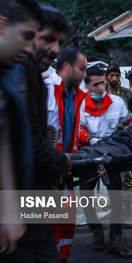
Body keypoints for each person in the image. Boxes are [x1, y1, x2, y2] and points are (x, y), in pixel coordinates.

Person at [0, 0, 43, 261]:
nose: (29, 49)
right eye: (26, 37)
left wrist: (9, 212)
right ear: (2, 24)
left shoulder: (9, 74)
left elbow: (2, 140)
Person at [78, 67, 132, 258]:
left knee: (117, 196)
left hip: (112, 156)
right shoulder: (81, 105)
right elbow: (79, 129)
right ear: (87, 86)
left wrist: (125, 137)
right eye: (96, 84)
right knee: (85, 195)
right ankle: (97, 232)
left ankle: (116, 241)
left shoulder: (117, 103)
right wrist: (90, 140)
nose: (101, 87)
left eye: (103, 82)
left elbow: (130, 123)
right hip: (90, 155)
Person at [44, 47, 87, 262]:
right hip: (47, 172)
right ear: (67, 68)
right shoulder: (47, 90)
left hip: (64, 170)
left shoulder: (76, 96)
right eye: (82, 69)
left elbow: (70, 132)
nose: (84, 75)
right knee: (47, 225)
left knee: (66, 223)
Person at [105, 64, 132, 228]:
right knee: (108, 181)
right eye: (111, 75)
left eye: (117, 75)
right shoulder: (100, 93)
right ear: (106, 77)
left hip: (124, 140)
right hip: (105, 141)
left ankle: (126, 216)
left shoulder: (127, 93)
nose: (115, 79)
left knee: (127, 178)